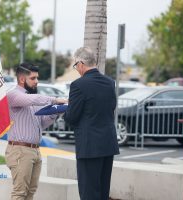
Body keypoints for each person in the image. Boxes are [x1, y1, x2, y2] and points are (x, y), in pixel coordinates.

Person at [6, 63, 67, 200]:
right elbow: (35, 99)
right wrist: (55, 99)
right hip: (20, 151)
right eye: (33, 78)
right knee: (20, 193)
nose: (37, 81)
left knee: (30, 192)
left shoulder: (30, 98)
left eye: (37, 78)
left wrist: (55, 113)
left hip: (34, 151)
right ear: (22, 79)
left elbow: (41, 123)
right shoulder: (14, 95)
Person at [65, 47, 120, 200]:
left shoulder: (78, 85)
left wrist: (64, 112)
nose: (76, 69)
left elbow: (72, 116)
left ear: (81, 63)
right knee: (103, 191)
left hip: (89, 146)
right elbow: (111, 107)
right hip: (107, 144)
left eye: (75, 66)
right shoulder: (110, 83)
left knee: (89, 192)